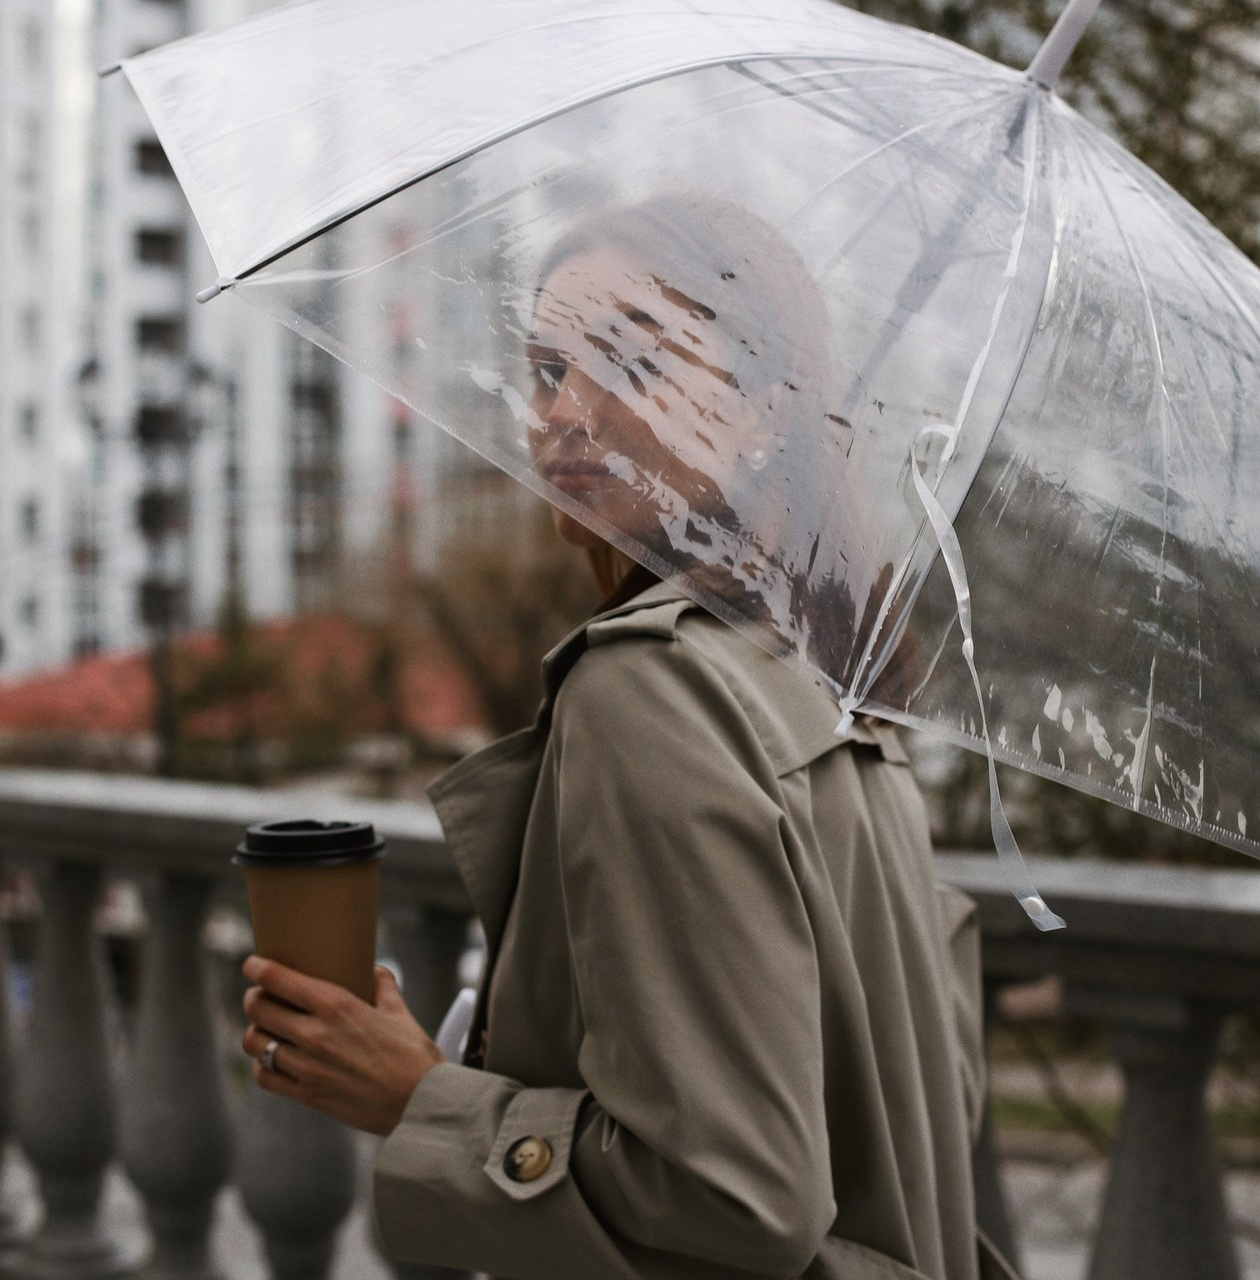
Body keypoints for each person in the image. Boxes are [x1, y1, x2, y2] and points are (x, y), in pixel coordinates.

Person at [241, 193, 1012, 1280]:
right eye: (548, 369)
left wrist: (422, 1095)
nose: (565, 411)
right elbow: (912, 1087)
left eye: (635, 369)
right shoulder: (836, 679)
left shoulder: (652, 687)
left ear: (761, 413)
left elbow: (731, 1193)